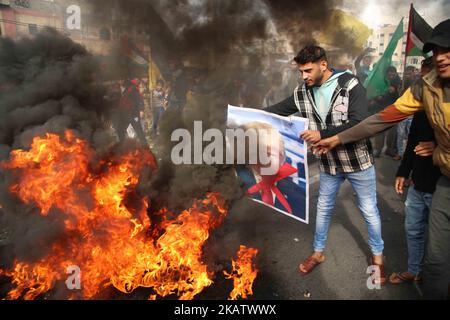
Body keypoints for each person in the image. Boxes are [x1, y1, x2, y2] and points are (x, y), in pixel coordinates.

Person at [315, 19, 450, 299]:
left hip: (442, 164)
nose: (441, 57)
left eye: (448, 50)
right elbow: (383, 118)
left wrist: (438, 151)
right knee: (436, 260)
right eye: (436, 50)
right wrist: (339, 138)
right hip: (446, 183)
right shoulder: (426, 86)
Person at [264, 45, 386, 283]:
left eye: (308, 70)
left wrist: (322, 133)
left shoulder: (350, 85)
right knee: (323, 208)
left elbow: (360, 122)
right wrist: (245, 114)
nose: (304, 76)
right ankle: (318, 253)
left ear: (323, 64)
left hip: (356, 163)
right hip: (328, 163)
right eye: (301, 72)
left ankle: (378, 259)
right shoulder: (303, 91)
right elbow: (277, 110)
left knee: (369, 211)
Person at [389, 111, 441, 284]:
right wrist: (403, 172)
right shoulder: (422, 108)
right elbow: (412, 141)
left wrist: (440, 149)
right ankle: (414, 271)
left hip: (443, 187)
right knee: (413, 229)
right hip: (418, 183)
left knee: (440, 240)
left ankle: (441, 279)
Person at [114, 79, 148, 147]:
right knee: (120, 130)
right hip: (125, 114)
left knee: (138, 130)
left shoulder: (132, 89)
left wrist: (141, 110)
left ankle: (145, 146)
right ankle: (123, 145)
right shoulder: (123, 90)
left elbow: (139, 99)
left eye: (121, 79)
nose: (119, 81)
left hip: (133, 114)